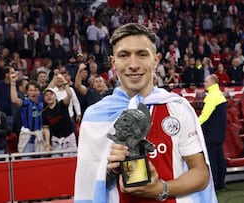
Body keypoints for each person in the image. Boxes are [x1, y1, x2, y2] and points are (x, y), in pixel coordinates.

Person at [74, 23, 217, 203]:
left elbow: (201, 174)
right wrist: (110, 170)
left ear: (155, 60)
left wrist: (160, 189)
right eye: (124, 55)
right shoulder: (95, 117)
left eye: (142, 54)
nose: (133, 65)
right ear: (113, 62)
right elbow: (88, 184)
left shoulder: (177, 108)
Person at [198, 74, 227, 190]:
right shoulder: (220, 95)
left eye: (206, 81)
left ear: (212, 82)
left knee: (212, 159)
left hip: (210, 134)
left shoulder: (211, 96)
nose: (204, 83)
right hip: (219, 133)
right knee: (220, 158)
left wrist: (195, 125)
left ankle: (213, 183)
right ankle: (221, 182)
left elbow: (205, 115)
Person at [10, 69, 45, 155]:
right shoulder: (25, 103)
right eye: (31, 90)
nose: (34, 92)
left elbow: (50, 87)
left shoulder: (41, 100)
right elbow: (14, 99)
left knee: (41, 163)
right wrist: (13, 83)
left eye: (36, 90)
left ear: (39, 92)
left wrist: (56, 77)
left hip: (39, 136)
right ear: (27, 92)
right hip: (27, 138)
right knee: (26, 162)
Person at [42, 70, 77, 155]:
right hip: (56, 141)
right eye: (46, 95)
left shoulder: (62, 104)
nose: (49, 96)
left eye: (51, 94)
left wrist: (65, 82)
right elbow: (46, 129)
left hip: (69, 138)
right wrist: (47, 143)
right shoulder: (44, 112)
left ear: (55, 96)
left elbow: (69, 95)